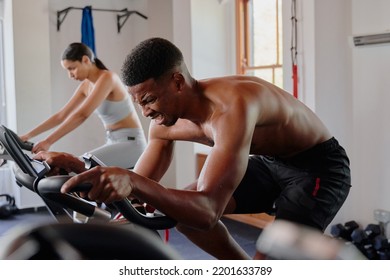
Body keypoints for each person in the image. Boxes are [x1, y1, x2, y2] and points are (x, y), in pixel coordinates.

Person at [34, 37, 351, 260]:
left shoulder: (233, 106)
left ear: (176, 82)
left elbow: (207, 212)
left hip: (317, 168)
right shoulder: (163, 122)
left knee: (273, 253)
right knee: (177, 210)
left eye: (149, 99)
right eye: (138, 102)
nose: (145, 112)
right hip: (270, 163)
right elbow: (137, 195)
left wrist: (134, 182)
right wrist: (83, 169)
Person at [21, 42, 146, 169]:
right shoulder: (86, 86)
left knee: (72, 167)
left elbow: (81, 115)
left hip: (131, 144)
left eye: (72, 68)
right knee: (71, 169)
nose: (70, 75)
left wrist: (48, 141)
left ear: (85, 60)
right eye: (68, 70)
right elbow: (61, 115)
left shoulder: (108, 78)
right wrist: (27, 136)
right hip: (112, 141)